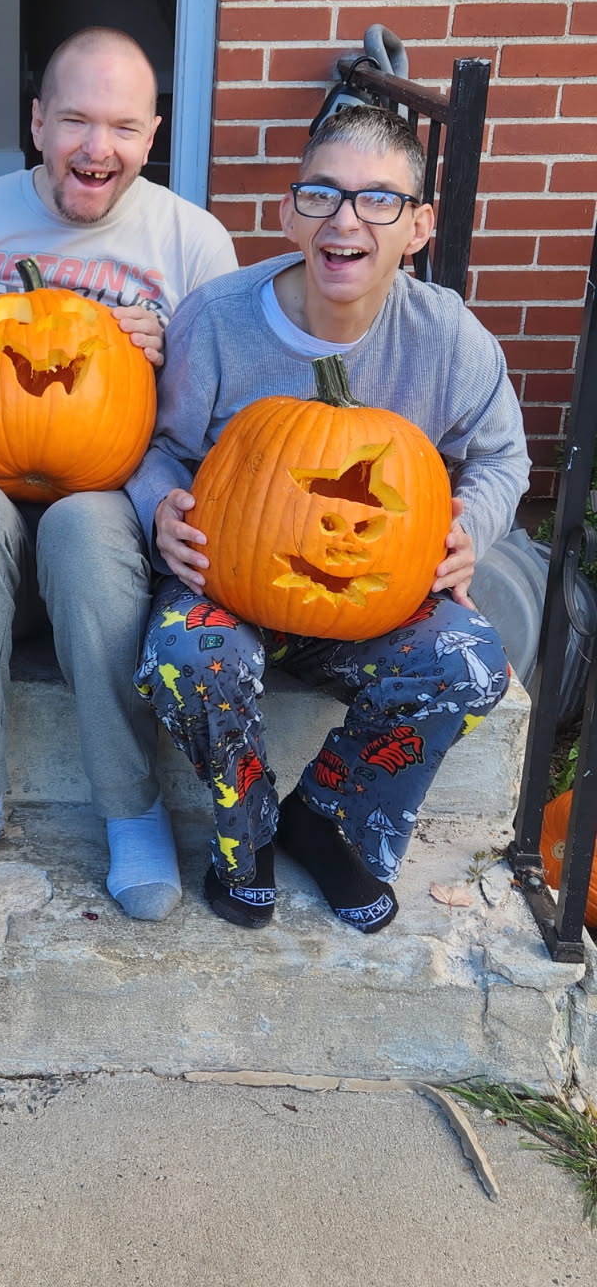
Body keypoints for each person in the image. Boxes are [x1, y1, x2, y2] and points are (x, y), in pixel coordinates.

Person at [129, 105, 529, 932]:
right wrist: (159, 505)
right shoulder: (218, 318)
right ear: (290, 212)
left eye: (379, 200)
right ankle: (245, 832)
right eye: (323, 194)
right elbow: (153, 446)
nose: (346, 220)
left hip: (377, 596)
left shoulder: (448, 338)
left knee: (471, 662)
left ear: (419, 227)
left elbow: (503, 458)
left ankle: (324, 814)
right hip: (231, 584)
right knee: (186, 655)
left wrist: (473, 531)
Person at [0, 27, 237, 922]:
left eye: (122, 127)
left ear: (152, 136)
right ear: (38, 122)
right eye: (76, 120)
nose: (97, 147)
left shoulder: (193, 245)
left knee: (84, 521)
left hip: (105, 539)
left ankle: (131, 809)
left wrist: (171, 360)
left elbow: (218, 434)